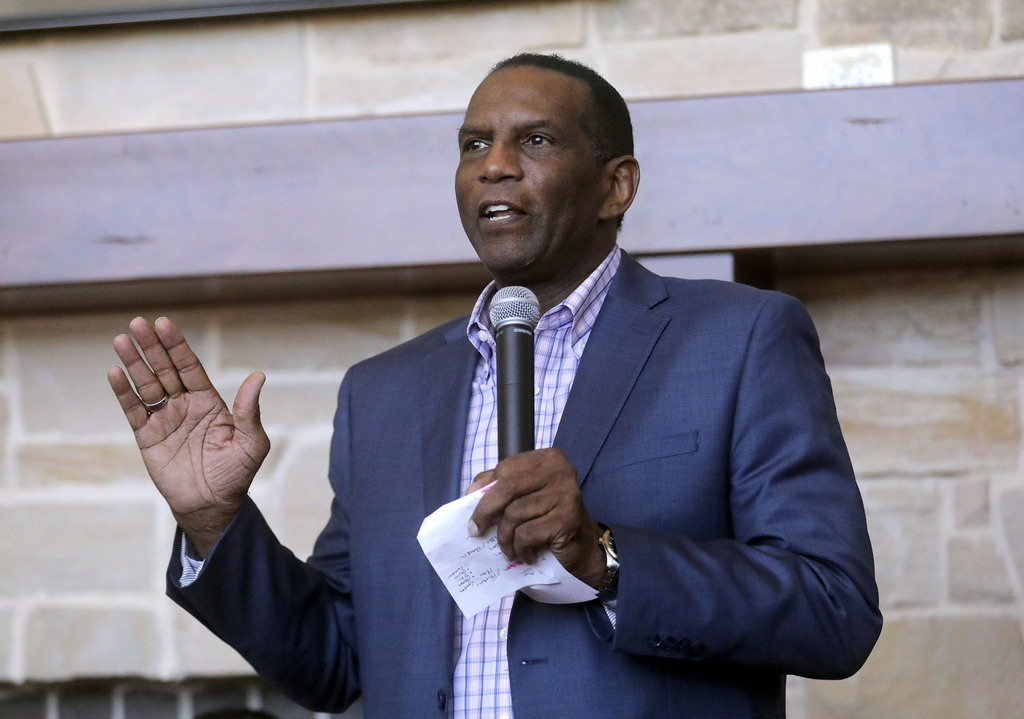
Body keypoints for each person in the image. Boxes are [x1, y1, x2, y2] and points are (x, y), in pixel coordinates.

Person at [108, 53, 881, 718]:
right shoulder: (382, 392)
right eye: (474, 143)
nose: (494, 164)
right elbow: (336, 657)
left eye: (534, 139)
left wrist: (605, 557)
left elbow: (834, 608)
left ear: (617, 186)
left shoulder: (740, 337)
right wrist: (216, 522)